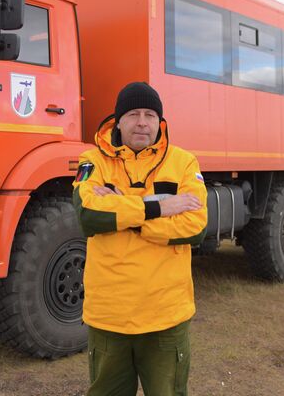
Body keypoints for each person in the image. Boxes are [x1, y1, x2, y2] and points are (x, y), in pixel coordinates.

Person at [72, 81, 208, 396]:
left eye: (150, 114)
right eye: (133, 114)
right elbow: (88, 216)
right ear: (117, 121)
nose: (142, 122)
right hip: (110, 317)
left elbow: (196, 226)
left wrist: (125, 213)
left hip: (165, 316)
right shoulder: (92, 161)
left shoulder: (184, 162)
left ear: (159, 122)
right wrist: (158, 207)